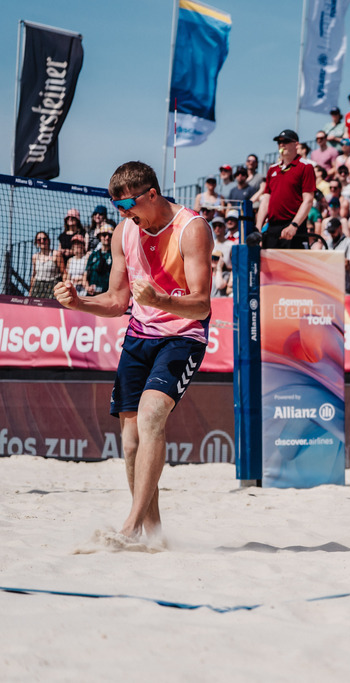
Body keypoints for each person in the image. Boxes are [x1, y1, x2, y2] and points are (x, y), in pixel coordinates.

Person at [54, 161, 214, 543]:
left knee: (151, 417)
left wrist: (160, 298)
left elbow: (202, 305)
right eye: (118, 208)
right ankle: (153, 533)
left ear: (152, 194)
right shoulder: (124, 233)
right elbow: (115, 300)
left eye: (127, 206)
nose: (123, 215)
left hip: (182, 336)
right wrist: (79, 303)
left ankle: (129, 527)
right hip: (139, 336)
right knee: (130, 444)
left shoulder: (192, 229)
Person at [255, 129, 316, 249]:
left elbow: (308, 200)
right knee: (270, 267)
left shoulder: (305, 167)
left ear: (296, 144)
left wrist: (294, 225)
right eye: (279, 142)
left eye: (286, 141)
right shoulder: (272, 169)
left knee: (293, 266)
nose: (282, 144)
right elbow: (266, 200)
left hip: (293, 225)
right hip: (272, 227)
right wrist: (258, 227)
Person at [30, 231, 62, 298]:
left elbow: (64, 272)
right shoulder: (35, 257)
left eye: (44, 239)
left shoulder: (56, 254)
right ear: (37, 242)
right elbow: (34, 274)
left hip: (53, 286)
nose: (42, 241)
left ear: (48, 240)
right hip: (38, 288)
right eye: (39, 240)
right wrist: (30, 291)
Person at [85, 224, 114, 295]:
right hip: (91, 295)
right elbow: (85, 275)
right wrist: (87, 287)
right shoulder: (93, 255)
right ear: (100, 237)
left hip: (107, 295)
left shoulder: (115, 256)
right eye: (104, 235)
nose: (107, 237)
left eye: (110, 235)